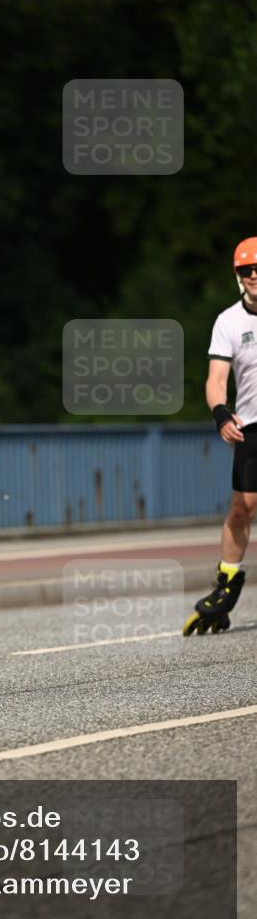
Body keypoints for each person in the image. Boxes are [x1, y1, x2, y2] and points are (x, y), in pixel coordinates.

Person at [183, 236, 257, 635]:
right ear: (238, 276)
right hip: (251, 425)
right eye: (247, 270)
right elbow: (216, 380)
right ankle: (227, 581)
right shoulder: (228, 321)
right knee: (242, 508)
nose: (255, 276)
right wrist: (221, 413)